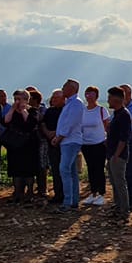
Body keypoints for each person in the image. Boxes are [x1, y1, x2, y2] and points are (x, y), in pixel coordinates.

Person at [53, 79, 85, 212]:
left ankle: (67, 202)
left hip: (70, 141)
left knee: (64, 169)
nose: (62, 88)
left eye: (64, 86)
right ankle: (73, 201)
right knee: (71, 172)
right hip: (67, 141)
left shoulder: (76, 104)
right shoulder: (70, 103)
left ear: (72, 89)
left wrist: (59, 137)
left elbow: (70, 123)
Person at [79, 85, 110, 206]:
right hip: (86, 144)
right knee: (91, 169)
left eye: (91, 94)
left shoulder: (101, 110)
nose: (89, 96)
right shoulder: (83, 110)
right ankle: (93, 193)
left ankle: (102, 193)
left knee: (99, 169)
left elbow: (107, 126)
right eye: (87, 93)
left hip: (99, 143)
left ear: (96, 96)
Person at [106, 86, 132, 217]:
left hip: (118, 155)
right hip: (112, 153)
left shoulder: (124, 115)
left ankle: (124, 209)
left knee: (120, 182)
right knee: (114, 182)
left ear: (116, 99)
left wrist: (116, 155)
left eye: (109, 98)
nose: (108, 101)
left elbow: (124, 137)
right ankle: (117, 206)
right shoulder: (116, 114)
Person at [41, 88, 65, 203]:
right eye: (53, 97)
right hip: (51, 144)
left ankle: (66, 195)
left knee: (64, 170)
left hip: (64, 144)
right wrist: (48, 133)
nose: (54, 99)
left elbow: (67, 125)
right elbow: (43, 123)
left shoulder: (66, 110)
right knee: (55, 170)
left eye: (57, 98)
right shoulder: (50, 111)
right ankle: (57, 194)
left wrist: (55, 133)